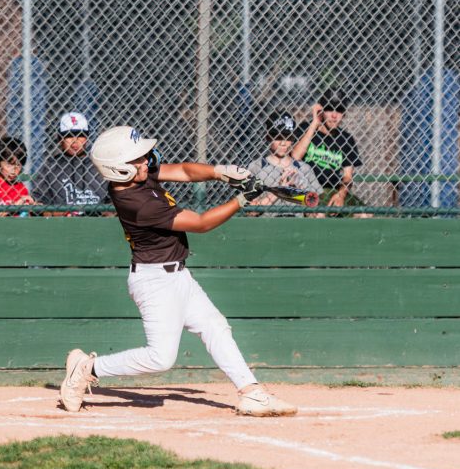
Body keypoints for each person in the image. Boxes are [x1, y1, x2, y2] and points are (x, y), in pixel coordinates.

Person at [60, 126, 297, 417]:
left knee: (215, 327)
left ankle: (252, 393)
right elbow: (201, 223)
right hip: (154, 281)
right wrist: (242, 200)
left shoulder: (138, 175)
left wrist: (221, 172)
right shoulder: (138, 204)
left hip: (177, 275)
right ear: (118, 169)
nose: (146, 161)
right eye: (137, 160)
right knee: (160, 359)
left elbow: (184, 171)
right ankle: (87, 368)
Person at [291, 89, 365, 214]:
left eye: (339, 110)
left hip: (333, 190)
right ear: (321, 110)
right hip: (306, 189)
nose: (334, 115)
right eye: (330, 109)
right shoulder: (306, 129)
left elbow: (348, 176)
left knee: (365, 214)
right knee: (319, 214)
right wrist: (314, 124)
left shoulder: (346, 139)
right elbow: (295, 157)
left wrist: (341, 195)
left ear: (344, 114)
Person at [32, 112, 109, 216]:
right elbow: (39, 201)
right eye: (69, 136)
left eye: (80, 135)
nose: (75, 141)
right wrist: (53, 213)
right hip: (63, 225)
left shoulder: (100, 164)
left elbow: (114, 200)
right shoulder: (51, 166)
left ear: (87, 137)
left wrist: (107, 213)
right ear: (60, 139)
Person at [246, 112, 322, 214]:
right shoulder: (256, 167)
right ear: (268, 137)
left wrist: (302, 195)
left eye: (287, 137)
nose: (283, 143)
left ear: (293, 138)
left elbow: (317, 215)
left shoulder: (304, 168)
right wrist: (280, 191)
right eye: (278, 137)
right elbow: (250, 213)